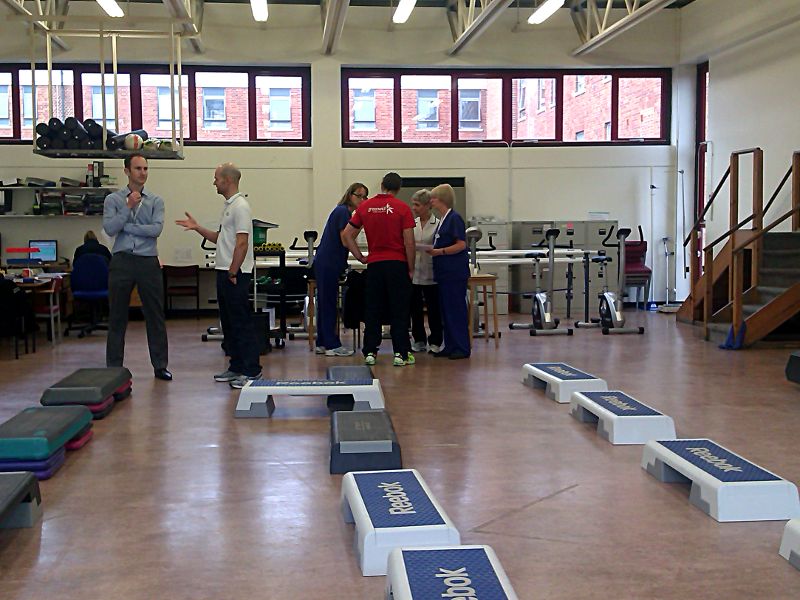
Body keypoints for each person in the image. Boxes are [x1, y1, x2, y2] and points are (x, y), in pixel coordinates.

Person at [176, 163, 261, 389]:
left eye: (216, 178)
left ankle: (252, 370)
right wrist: (197, 227)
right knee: (230, 323)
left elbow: (242, 243)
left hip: (235, 273)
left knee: (241, 322)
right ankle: (236, 366)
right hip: (224, 271)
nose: (214, 182)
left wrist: (233, 270)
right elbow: (220, 239)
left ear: (227, 180)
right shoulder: (228, 207)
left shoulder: (241, 206)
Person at [102, 154, 171, 380]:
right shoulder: (113, 200)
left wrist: (128, 227)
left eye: (145, 168)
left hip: (148, 260)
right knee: (117, 315)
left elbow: (156, 230)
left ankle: (160, 365)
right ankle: (113, 367)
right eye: (138, 168)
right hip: (122, 260)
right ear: (127, 171)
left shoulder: (156, 201)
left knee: (155, 314)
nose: (143, 172)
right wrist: (127, 208)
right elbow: (110, 229)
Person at [342, 172, 416, 367]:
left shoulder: (365, 206)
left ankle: (370, 352)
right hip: (397, 265)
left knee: (372, 308)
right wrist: (411, 267)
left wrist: (360, 256)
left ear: (381, 185)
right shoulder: (403, 209)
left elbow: (347, 234)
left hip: (375, 265)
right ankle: (400, 353)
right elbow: (409, 242)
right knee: (399, 309)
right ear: (399, 188)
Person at [313, 182, 369, 357]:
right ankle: (331, 344)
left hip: (329, 262)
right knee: (329, 303)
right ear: (350, 195)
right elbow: (346, 239)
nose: (362, 199)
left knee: (325, 302)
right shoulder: (342, 212)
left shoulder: (344, 212)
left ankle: (322, 342)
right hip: (329, 263)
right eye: (359, 195)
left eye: (365, 196)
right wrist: (360, 256)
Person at [427, 183, 470, 360]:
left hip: (454, 273)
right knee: (446, 311)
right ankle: (450, 345)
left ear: (441, 200)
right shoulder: (443, 220)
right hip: (444, 274)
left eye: (434, 198)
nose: (431, 201)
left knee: (456, 310)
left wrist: (440, 251)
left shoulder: (454, 219)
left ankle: (461, 346)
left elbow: (461, 244)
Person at [409, 189, 443, 354]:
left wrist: (417, 246)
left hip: (432, 274)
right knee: (415, 309)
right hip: (414, 273)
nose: (414, 208)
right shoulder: (412, 224)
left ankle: (436, 340)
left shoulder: (437, 225)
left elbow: (437, 247)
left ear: (427, 206)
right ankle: (419, 339)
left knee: (433, 309)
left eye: (417, 205)